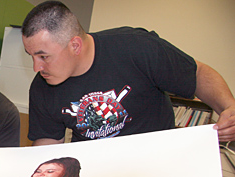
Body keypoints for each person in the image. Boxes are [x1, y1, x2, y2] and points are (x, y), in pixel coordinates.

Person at [21, 1, 235, 145]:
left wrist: (229, 108)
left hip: (156, 160)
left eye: (43, 56)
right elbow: (46, 150)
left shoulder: (138, 48)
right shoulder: (41, 88)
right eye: (31, 56)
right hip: (97, 172)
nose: (36, 68)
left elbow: (197, 75)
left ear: (75, 46)